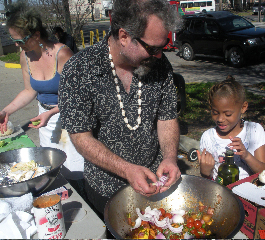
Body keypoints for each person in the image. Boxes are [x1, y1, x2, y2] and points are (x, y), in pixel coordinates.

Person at [58, 0, 182, 216]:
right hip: (106, 190)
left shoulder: (159, 66)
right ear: (124, 36)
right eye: (152, 48)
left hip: (155, 185)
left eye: (162, 48)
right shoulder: (81, 69)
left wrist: (170, 157)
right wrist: (127, 170)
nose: (159, 55)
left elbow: (167, 117)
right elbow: (80, 137)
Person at [0, 4, 84, 189]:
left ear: (36, 35)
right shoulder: (25, 56)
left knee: (76, 171)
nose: (16, 45)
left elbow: (78, 95)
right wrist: (6, 111)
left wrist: (51, 112)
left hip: (69, 119)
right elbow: (30, 90)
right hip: (44, 121)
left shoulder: (62, 54)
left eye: (20, 40)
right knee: (54, 171)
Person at [197, 76, 265, 181]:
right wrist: (205, 171)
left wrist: (246, 156)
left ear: (243, 108)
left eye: (228, 114)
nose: (220, 119)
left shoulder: (254, 130)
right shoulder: (208, 137)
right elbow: (207, 177)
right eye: (215, 113)